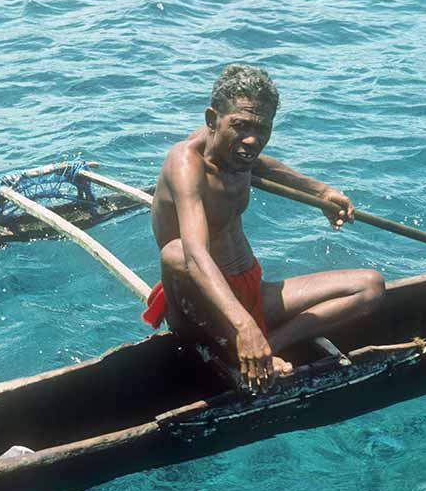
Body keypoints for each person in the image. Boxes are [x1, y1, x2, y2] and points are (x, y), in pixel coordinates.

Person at [142, 64, 385, 393]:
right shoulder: (185, 164)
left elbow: (262, 165)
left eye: (263, 128)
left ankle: (265, 343)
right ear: (212, 120)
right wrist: (242, 323)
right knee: (176, 252)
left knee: (370, 286)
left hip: (249, 290)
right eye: (240, 126)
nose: (252, 140)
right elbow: (196, 255)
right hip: (203, 308)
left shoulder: (238, 153)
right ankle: (240, 343)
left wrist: (321, 192)